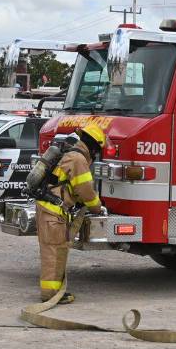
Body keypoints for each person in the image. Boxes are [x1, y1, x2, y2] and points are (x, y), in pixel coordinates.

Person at [34, 123, 105, 304]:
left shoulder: (69, 153)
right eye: (97, 151)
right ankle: (50, 295)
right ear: (93, 147)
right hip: (53, 212)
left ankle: (54, 291)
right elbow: (85, 190)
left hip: (47, 209)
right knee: (54, 252)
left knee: (53, 251)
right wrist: (97, 207)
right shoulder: (78, 159)